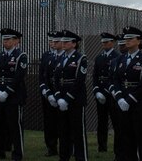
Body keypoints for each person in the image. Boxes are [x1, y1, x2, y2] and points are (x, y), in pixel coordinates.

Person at [112, 26, 142, 161]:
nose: (127, 41)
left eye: (131, 38)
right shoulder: (120, 59)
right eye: (126, 38)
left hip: (139, 104)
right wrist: (119, 98)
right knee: (126, 137)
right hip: (122, 102)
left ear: (138, 41)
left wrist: (129, 100)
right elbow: (115, 80)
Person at [0, 28, 28, 160]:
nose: (5, 42)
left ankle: (17, 153)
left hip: (14, 96)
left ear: (16, 41)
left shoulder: (20, 56)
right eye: (4, 39)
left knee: (15, 126)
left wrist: (6, 92)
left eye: (8, 39)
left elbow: (18, 77)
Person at [53, 29, 88, 161]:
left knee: (78, 132)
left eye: (67, 42)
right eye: (63, 41)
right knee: (63, 132)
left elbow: (79, 80)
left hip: (75, 100)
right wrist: (58, 96)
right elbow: (55, 79)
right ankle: (64, 157)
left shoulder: (80, 58)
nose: (64, 44)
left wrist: (67, 99)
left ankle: (81, 157)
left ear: (74, 44)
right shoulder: (61, 58)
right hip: (61, 99)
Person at [92, 32, 119, 155]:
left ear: (113, 42)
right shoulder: (99, 57)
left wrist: (107, 91)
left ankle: (117, 147)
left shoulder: (117, 56)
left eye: (107, 42)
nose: (104, 44)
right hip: (100, 94)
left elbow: (115, 78)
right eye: (103, 42)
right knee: (101, 121)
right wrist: (97, 91)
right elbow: (95, 76)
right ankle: (102, 146)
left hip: (112, 94)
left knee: (115, 121)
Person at [39, 31, 63, 157]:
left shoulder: (64, 56)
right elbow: (43, 76)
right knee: (49, 122)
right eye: (51, 41)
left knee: (63, 122)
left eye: (55, 41)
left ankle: (68, 146)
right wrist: (46, 91)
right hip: (49, 94)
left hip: (62, 94)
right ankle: (51, 147)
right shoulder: (46, 56)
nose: (52, 43)